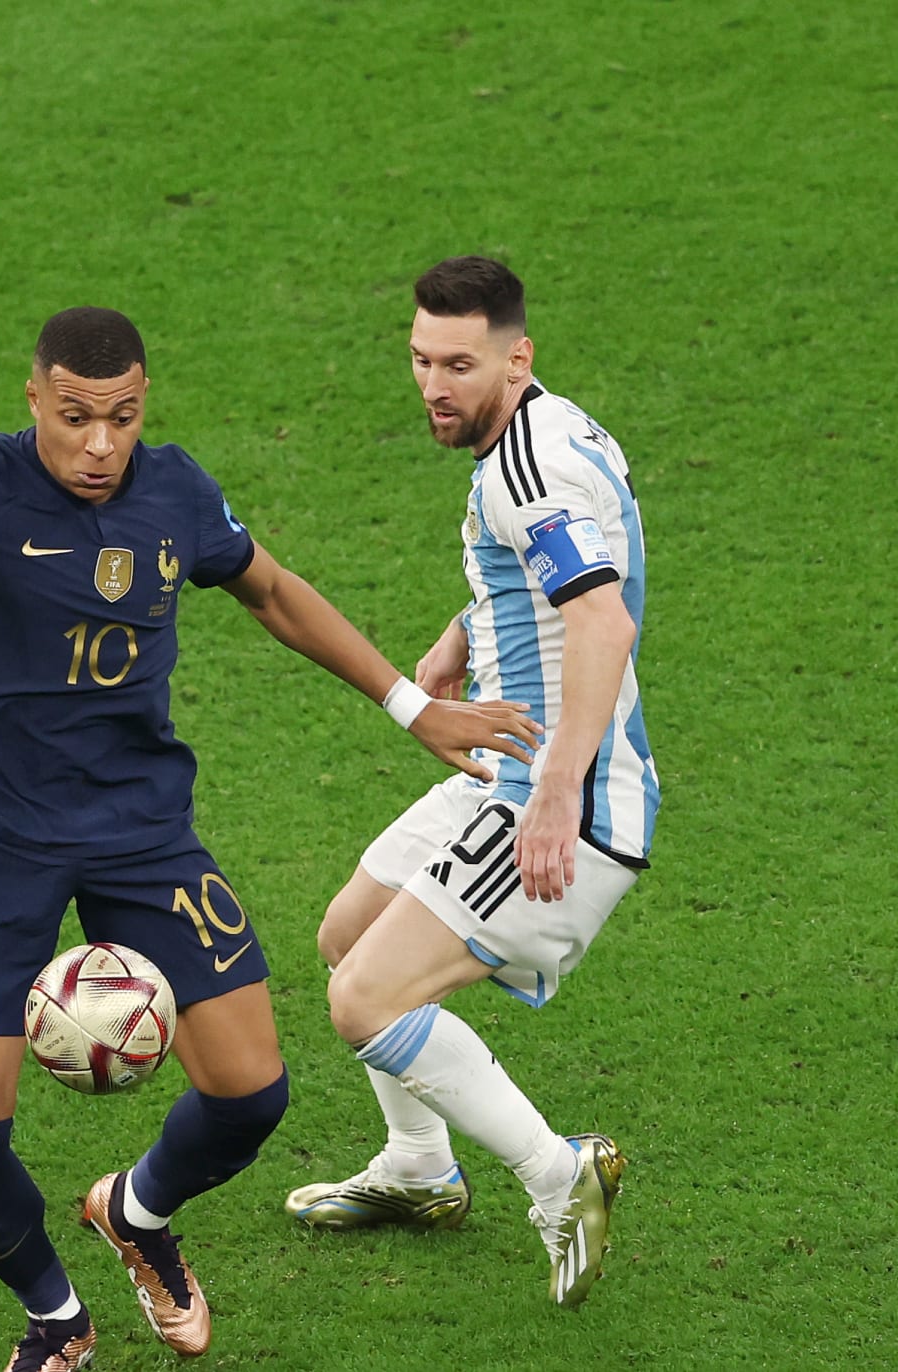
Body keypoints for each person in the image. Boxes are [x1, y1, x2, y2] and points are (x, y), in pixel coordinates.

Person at [0, 307, 540, 1371]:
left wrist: (414, 707)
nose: (99, 444)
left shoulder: (173, 489)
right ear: (34, 397)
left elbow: (268, 589)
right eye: (76, 417)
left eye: (122, 418)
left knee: (251, 1092)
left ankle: (133, 1212)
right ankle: (54, 1315)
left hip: (141, 833)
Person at [281, 257, 657, 1308]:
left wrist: (552, 796)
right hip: (511, 759)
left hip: (559, 796)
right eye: (419, 360)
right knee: (347, 936)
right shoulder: (550, 431)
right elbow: (555, 580)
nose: (433, 385)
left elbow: (601, 617)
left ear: (515, 356)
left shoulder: (525, 473)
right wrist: (460, 640)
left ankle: (558, 1173)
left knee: (362, 998)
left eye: (458, 363)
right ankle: (417, 1167)